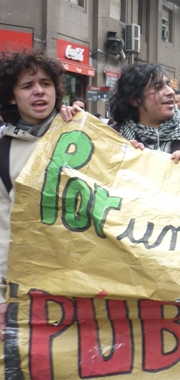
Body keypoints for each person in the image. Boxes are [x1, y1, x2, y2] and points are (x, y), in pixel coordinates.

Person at [0, 50, 81, 335]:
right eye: (27, 86)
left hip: (87, 279)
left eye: (46, 84)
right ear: (12, 97)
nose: (39, 91)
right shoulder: (3, 150)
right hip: (30, 286)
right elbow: (3, 227)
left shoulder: (83, 134)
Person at [110, 63, 180, 161]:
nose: (171, 92)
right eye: (158, 87)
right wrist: (121, 161)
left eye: (168, 85)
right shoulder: (111, 139)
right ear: (135, 100)